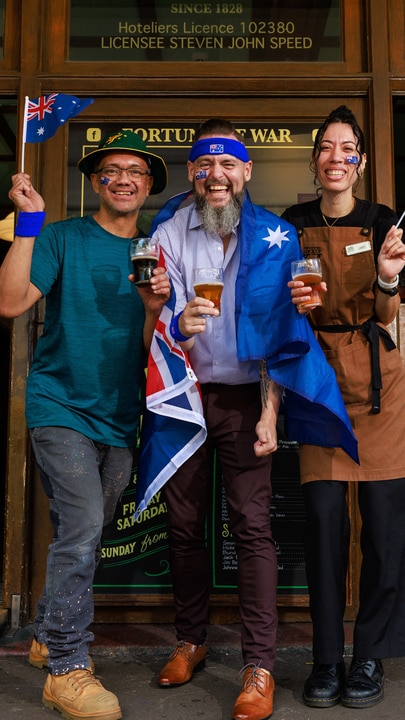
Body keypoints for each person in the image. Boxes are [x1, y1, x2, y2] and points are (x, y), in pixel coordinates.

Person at [0, 130, 169, 720]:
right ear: (96, 182)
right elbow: (11, 301)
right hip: (60, 406)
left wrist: (153, 312)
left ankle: (50, 630)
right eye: (111, 170)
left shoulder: (156, 250)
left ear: (149, 186)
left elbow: (157, 350)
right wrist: (28, 223)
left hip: (121, 415)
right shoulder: (62, 237)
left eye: (135, 172)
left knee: (86, 531)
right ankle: (66, 668)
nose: (123, 179)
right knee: (84, 525)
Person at [151, 118, 286, 720]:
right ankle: (193, 639)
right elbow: (156, 315)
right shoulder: (167, 232)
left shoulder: (275, 236)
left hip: (244, 396)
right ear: (192, 174)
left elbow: (286, 336)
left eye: (228, 164)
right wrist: (177, 325)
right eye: (205, 165)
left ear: (246, 172)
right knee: (183, 523)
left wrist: (270, 410)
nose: (216, 176)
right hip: (185, 391)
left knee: (251, 526)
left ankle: (259, 666)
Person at [283, 105, 405, 710]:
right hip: (317, 381)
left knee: (384, 531)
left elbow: (387, 314)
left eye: (347, 148)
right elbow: (277, 306)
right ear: (315, 159)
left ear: (359, 161)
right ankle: (327, 658)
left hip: (381, 385)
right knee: (325, 527)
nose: (336, 157)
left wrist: (384, 278)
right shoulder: (293, 221)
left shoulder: (383, 222)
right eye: (326, 147)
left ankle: (370, 657)